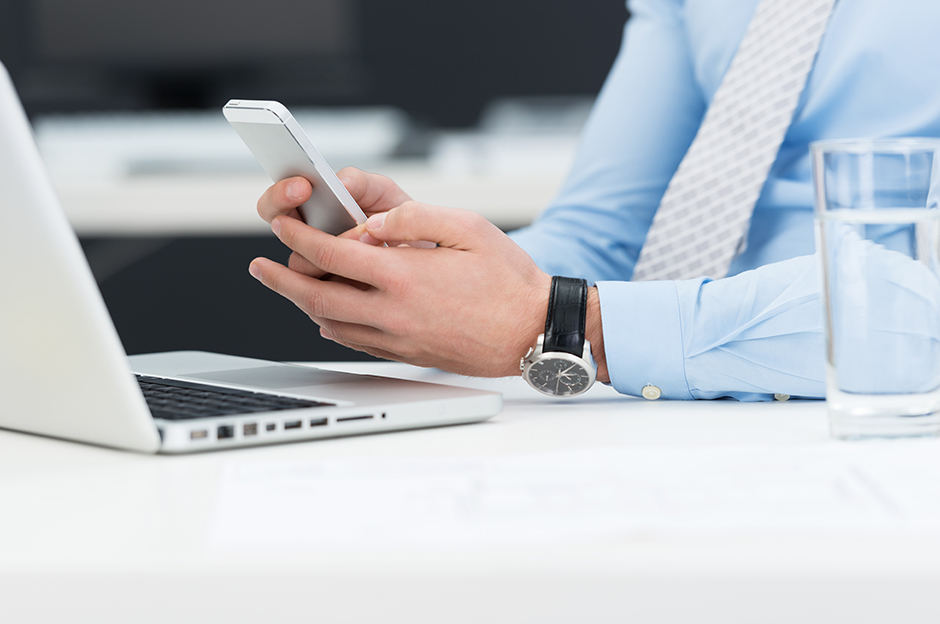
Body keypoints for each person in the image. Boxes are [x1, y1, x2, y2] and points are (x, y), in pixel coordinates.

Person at [247, 0, 940, 401]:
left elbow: (921, 306)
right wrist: (443, 271)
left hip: (879, 421)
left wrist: (567, 323)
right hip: (680, 416)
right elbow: (604, 228)